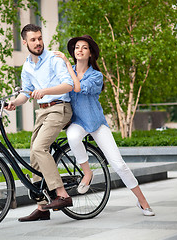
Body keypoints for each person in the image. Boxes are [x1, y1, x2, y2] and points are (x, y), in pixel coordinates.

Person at [53, 35, 155, 216]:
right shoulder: (66, 73)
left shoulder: (96, 76)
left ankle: (142, 201)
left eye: (84, 48)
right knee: (72, 136)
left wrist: (67, 66)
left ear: (90, 53)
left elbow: (77, 87)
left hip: (96, 123)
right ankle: (87, 173)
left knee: (119, 164)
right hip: (78, 122)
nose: (80, 50)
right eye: (77, 47)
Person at [5, 24, 74, 222]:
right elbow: (26, 92)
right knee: (34, 153)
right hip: (42, 112)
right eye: (33, 40)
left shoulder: (53, 59)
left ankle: (62, 194)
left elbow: (68, 84)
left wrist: (45, 91)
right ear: (25, 42)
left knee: (40, 147)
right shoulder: (27, 65)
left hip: (60, 107)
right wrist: (14, 103)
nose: (38, 43)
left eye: (40, 38)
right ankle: (42, 207)